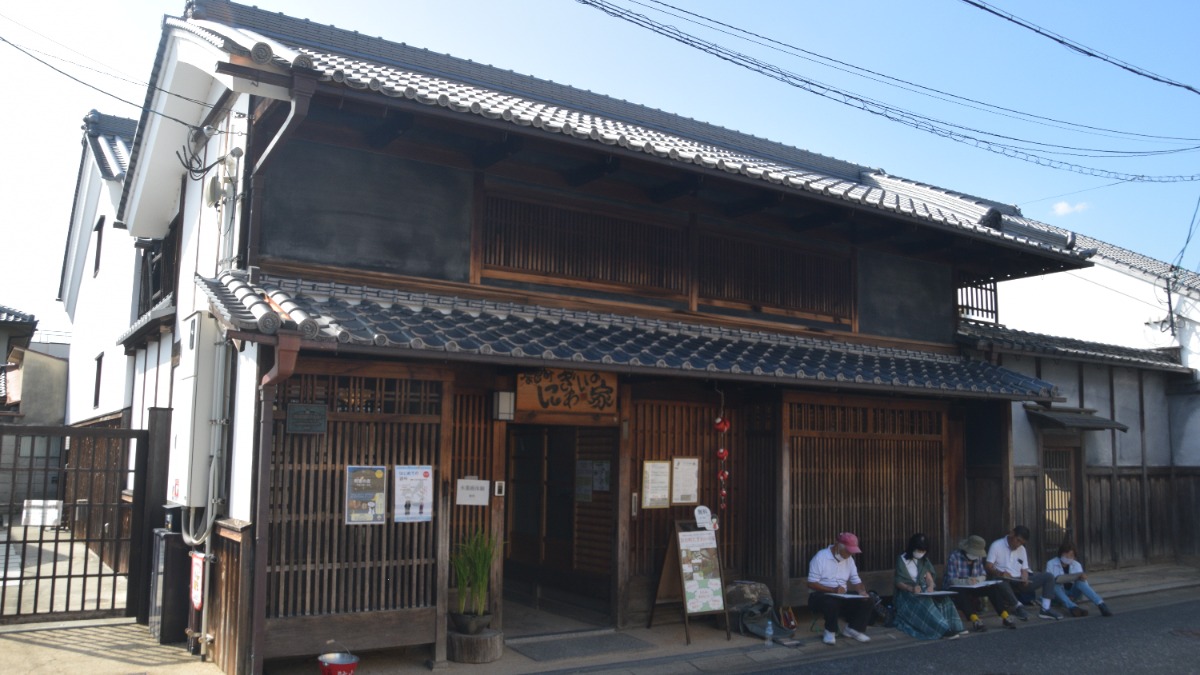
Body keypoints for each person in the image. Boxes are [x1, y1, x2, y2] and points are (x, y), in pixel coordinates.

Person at [892, 533, 965, 640]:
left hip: (923, 589)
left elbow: (929, 577)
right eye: (919, 550)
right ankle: (942, 630)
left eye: (923, 551)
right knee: (926, 603)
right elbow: (898, 581)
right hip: (907, 594)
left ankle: (955, 627)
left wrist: (930, 586)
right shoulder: (901, 559)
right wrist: (911, 588)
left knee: (945, 599)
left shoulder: (924, 560)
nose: (921, 553)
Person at [807, 532, 873, 645]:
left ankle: (853, 629)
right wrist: (832, 590)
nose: (848, 555)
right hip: (820, 595)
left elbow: (856, 580)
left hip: (842, 594)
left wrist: (862, 591)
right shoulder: (821, 557)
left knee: (868, 599)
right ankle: (830, 631)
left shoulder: (850, 560)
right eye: (847, 551)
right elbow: (811, 583)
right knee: (831, 602)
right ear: (838, 545)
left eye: (851, 552)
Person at [986, 525, 1063, 621]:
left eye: (1021, 543)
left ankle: (1045, 608)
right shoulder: (997, 545)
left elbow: (1024, 568)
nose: (1018, 545)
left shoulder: (1022, 549)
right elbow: (988, 566)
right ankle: (1018, 607)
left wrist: (1025, 577)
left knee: (1048, 577)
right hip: (1003, 580)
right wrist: (1000, 573)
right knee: (1000, 581)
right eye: (1017, 540)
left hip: (1018, 580)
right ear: (1012, 534)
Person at [944, 534, 1021, 630]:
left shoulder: (978, 557)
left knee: (993, 588)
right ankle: (975, 619)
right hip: (958, 586)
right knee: (960, 592)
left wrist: (978, 580)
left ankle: (1005, 616)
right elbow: (952, 580)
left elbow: (983, 574)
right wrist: (967, 581)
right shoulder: (954, 556)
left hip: (974, 585)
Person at [1046, 542, 1114, 617]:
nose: (1068, 557)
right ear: (1061, 554)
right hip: (1057, 595)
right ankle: (1073, 607)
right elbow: (1047, 584)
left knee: (1080, 582)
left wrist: (1083, 579)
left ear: (1074, 556)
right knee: (1053, 584)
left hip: (1072, 594)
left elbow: (1084, 586)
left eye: (1071, 555)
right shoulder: (1051, 563)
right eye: (1066, 554)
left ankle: (1101, 604)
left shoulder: (1076, 565)